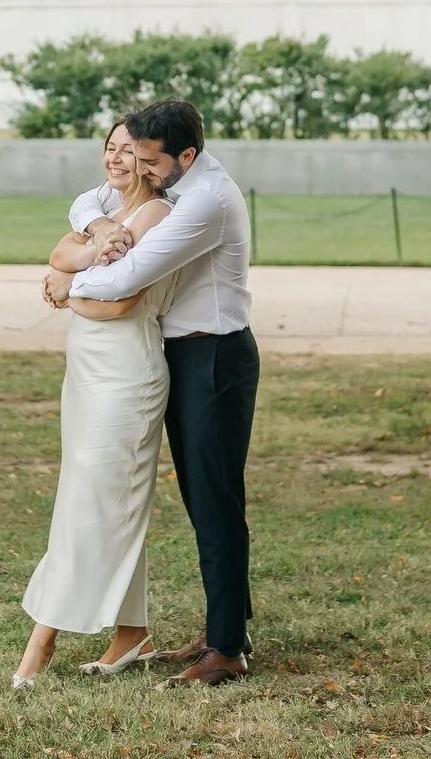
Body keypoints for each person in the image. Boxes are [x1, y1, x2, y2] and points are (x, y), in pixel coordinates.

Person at [45, 98, 258, 688]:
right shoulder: (170, 178)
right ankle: (227, 629)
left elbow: (125, 280)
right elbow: (90, 199)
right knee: (204, 497)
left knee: (214, 501)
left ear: (185, 155)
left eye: (149, 162)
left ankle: (226, 652)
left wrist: (66, 279)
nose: (138, 171)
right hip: (181, 354)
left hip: (214, 356)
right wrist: (99, 228)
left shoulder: (206, 201)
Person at [13, 122, 176, 688]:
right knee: (105, 500)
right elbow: (59, 252)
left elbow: (122, 302)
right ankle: (134, 633)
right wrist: (85, 255)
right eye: (110, 147)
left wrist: (67, 289)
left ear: (151, 159)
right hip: (85, 370)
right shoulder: (104, 208)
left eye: (129, 151)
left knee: (92, 501)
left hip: (127, 374)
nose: (116, 158)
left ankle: (41, 642)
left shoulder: (155, 215)